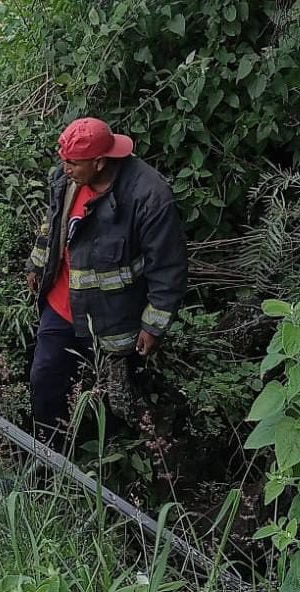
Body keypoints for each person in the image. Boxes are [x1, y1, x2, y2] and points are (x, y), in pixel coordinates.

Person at [24, 117, 187, 439]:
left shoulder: (149, 197)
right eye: (64, 160)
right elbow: (52, 225)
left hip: (113, 318)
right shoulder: (66, 179)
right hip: (61, 306)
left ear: (100, 162)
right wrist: (37, 264)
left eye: (73, 163)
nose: (65, 168)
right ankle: (46, 450)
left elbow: (168, 266)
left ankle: (107, 454)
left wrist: (153, 326)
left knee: (114, 396)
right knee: (44, 378)